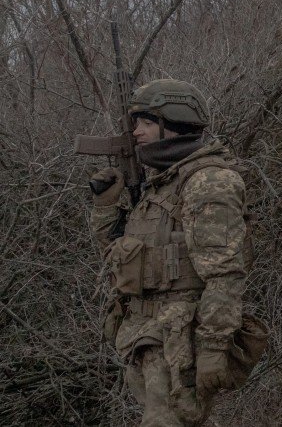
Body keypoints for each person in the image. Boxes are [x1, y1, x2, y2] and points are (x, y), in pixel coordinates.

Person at [89, 79, 264, 426]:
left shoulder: (207, 181)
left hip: (179, 342)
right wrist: (107, 205)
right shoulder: (163, 182)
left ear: (175, 124)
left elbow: (224, 274)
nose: (136, 132)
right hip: (147, 336)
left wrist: (214, 346)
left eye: (147, 123)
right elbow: (122, 258)